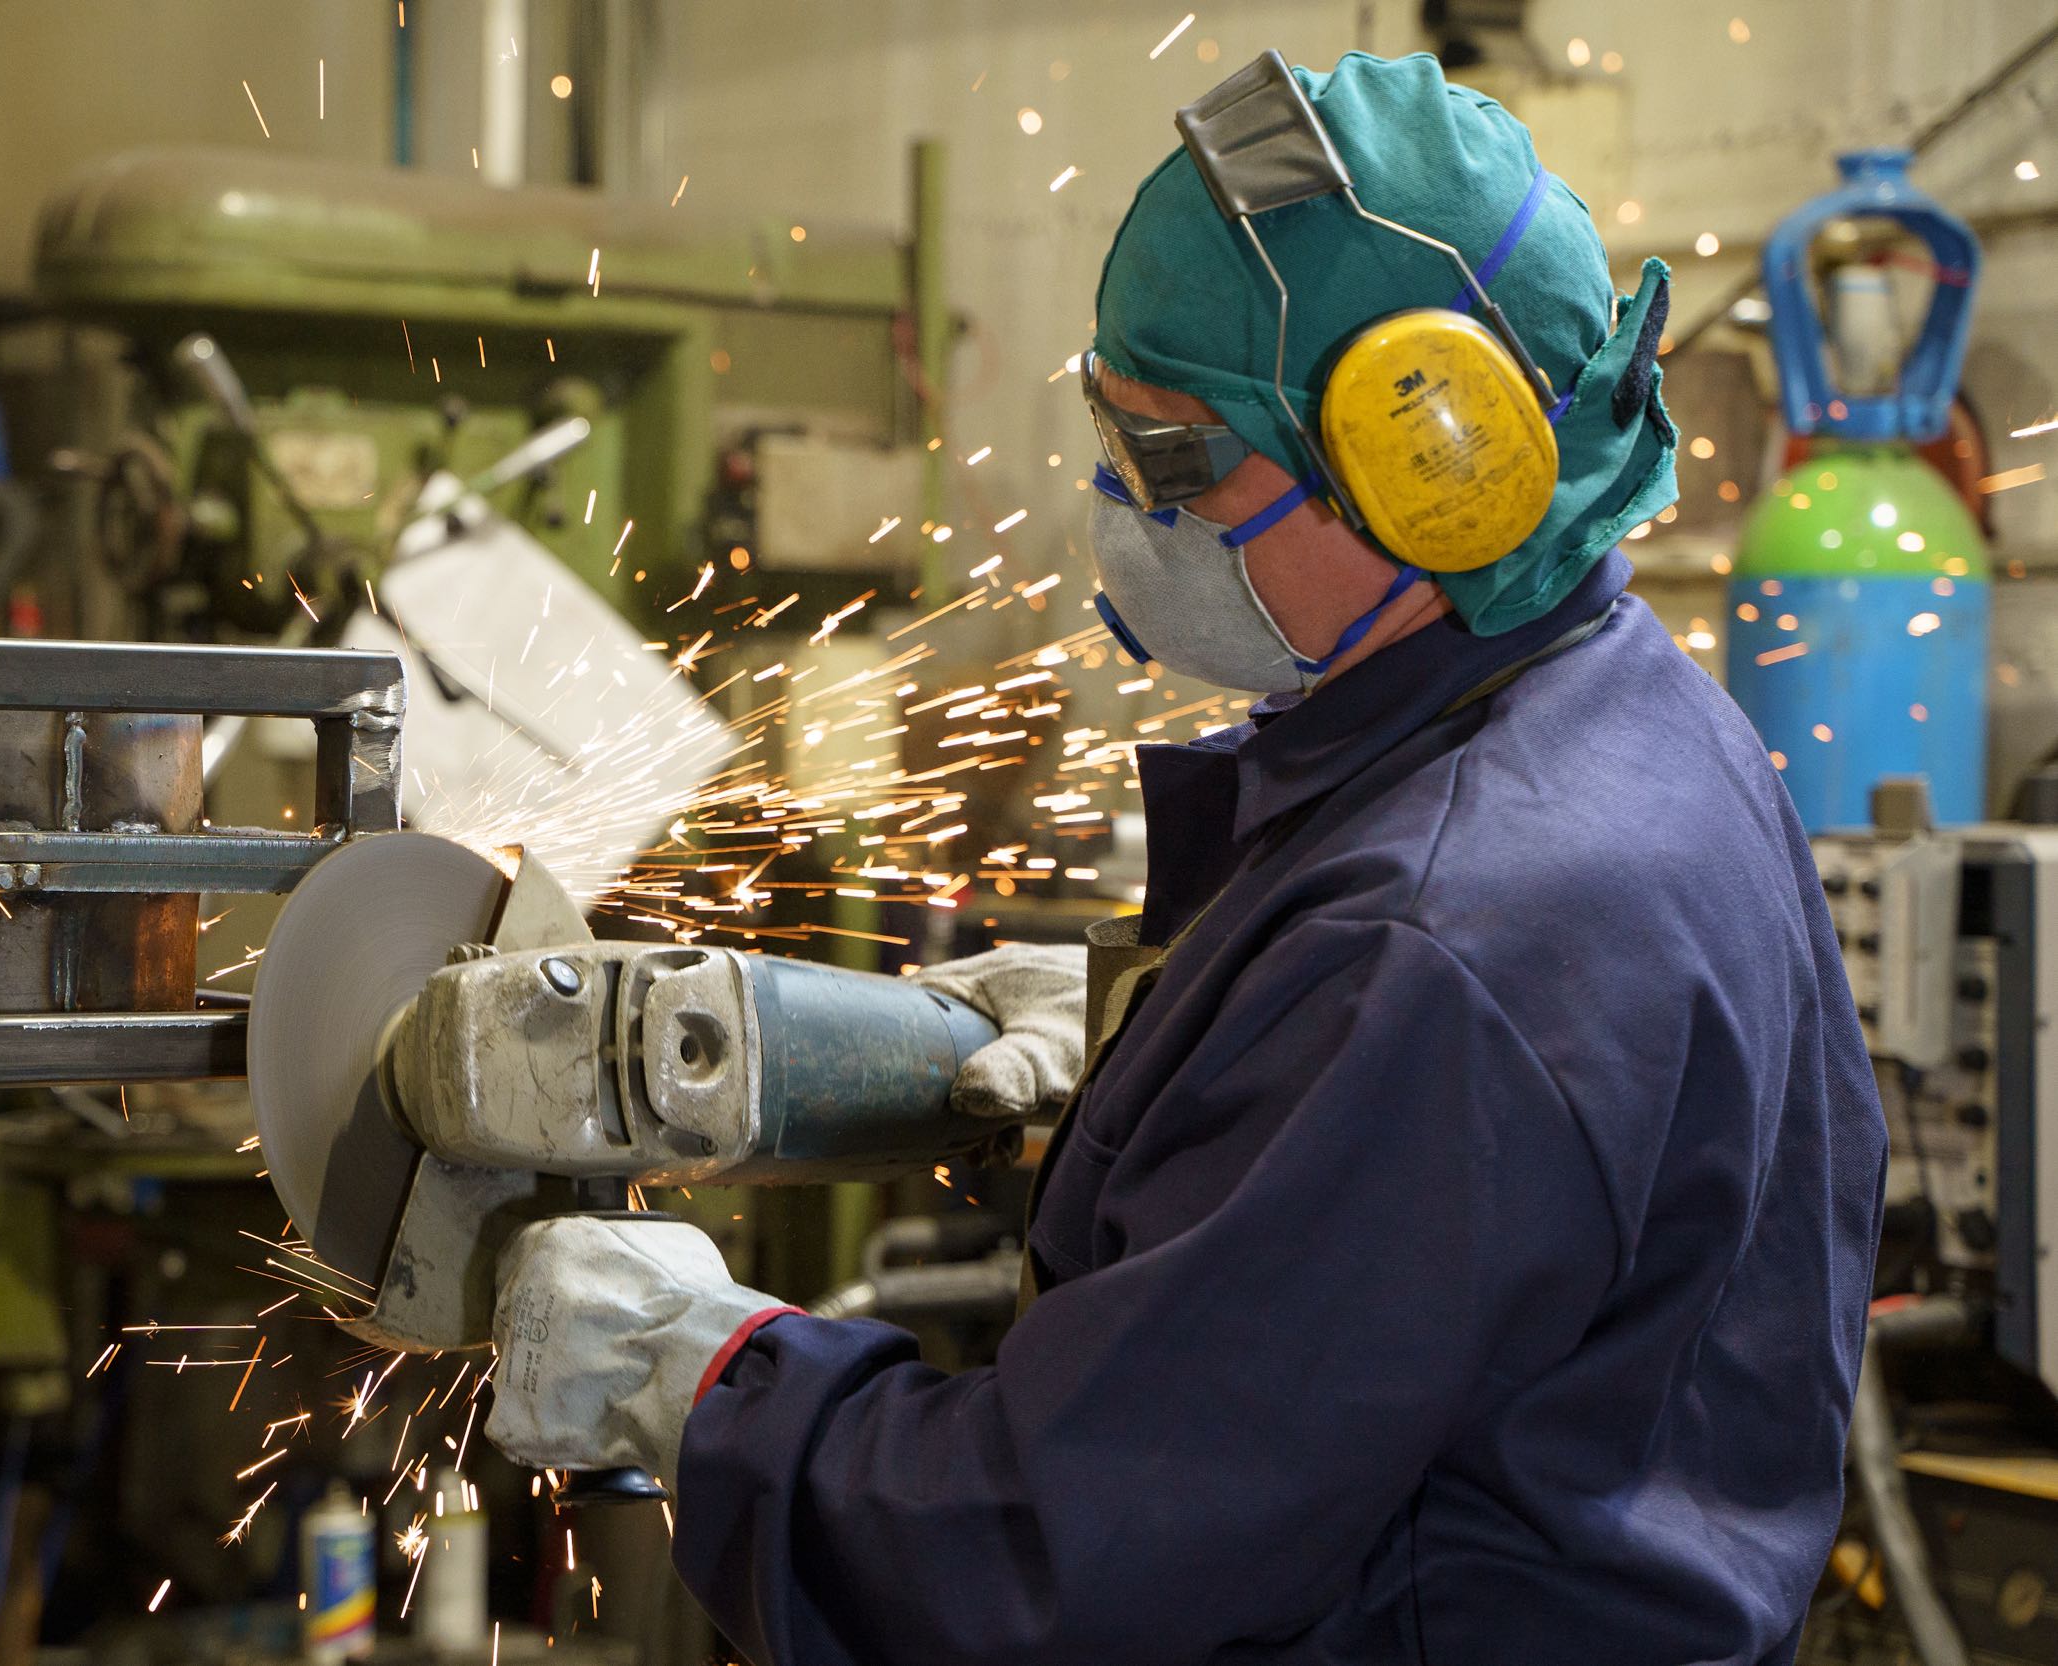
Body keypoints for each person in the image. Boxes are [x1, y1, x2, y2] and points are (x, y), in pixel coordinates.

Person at [487, 50, 1885, 1666]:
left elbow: (1054, 1560)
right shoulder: (1644, 719)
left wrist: (704, 1382)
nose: (1115, 510)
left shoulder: (1444, 949)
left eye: (1176, 463)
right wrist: (1183, 1027)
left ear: (1430, 465)